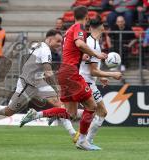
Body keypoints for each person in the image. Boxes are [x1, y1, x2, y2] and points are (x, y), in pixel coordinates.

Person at [20, 6, 107, 151]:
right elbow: (79, 44)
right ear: (86, 17)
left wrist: (83, 56)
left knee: (71, 113)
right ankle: (83, 141)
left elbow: (74, 48)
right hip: (72, 73)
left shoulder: (69, 30)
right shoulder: (79, 27)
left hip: (64, 72)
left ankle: (36, 114)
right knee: (92, 106)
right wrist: (97, 55)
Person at [47, 17, 122, 149]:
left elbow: (86, 65)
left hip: (83, 79)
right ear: (102, 27)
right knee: (101, 111)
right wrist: (112, 74)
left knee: (74, 113)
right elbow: (92, 71)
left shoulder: (90, 42)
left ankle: (49, 114)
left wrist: (101, 77)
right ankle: (86, 141)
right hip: (85, 81)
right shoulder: (93, 44)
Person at [0, 29, 63, 125]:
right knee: (9, 111)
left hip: (38, 82)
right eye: (58, 41)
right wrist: (58, 87)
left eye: (61, 42)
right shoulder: (45, 50)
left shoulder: (38, 45)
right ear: (49, 39)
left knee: (59, 104)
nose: (60, 44)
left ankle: (73, 133)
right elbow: (48, 72)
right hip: (28, 84)